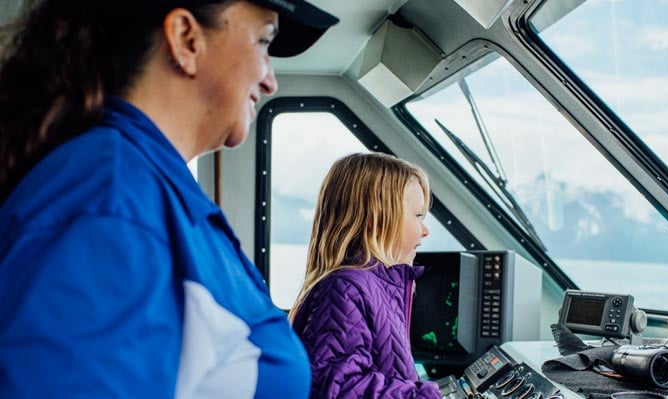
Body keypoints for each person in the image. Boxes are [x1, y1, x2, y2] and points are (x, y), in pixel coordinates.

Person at [0, 0, 337, 397]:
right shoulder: (108, 201)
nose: (270, 82)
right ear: (185, 40)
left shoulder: (150, 191)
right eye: (263, 42)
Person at [289, 152, 443, 399]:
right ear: (377, 221)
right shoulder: (345, 289)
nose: (424, 231)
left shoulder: (377, 286)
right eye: (417, 216)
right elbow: (337, 388)